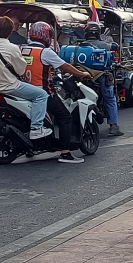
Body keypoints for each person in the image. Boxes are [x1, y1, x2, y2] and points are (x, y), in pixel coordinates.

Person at [25, 21, 88, 163]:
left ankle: (33, 146)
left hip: (24, 91)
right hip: (43, 91)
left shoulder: (22, 49)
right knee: (65, 117)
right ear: (45, 35)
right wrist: (81, 74)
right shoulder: (45, 52)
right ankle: (65, 152)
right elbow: (65, 66)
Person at [0, 16, 49, 140]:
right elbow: (21, 70)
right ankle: (36, 128)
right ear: (11, 30)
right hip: (10, 87)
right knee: (42, 95)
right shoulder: (13, 48)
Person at [83, 21, 123, 136]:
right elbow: (110, 60)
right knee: (110, 99)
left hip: (83, 77)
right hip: (101, 76)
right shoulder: (104, 45)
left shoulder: (80, 45)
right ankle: (114, 126)